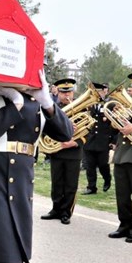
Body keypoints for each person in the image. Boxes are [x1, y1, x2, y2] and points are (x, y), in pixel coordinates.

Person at [0, 80, 73, 263]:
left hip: (21, 184)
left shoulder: (35, 101)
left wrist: (47, 102)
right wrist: (15, 105)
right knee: (6, 258)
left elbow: (66, 133)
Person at [41, 78, 84, 225]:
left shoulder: (83, 108)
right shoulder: (52, 109)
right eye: (63, 92)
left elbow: (90, 130)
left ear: (73, 92)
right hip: (57, 151)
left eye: (69, 92)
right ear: (57, 93)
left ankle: (66, 212)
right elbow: (45, 129)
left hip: (73, 153)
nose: (67, 95)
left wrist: (74, 142)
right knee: (57, 182)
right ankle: (55, 209)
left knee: (70, 184)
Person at [108, 71, 132, 243]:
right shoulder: (127, 106)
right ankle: (124, 225)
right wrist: (116, 118)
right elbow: (116, 129)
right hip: (122, 155)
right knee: (122, 194)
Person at [82, 82, 116, 195]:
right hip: (90, 139)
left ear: (104, 91)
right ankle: (91, 187)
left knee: (103, 164)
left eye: (99, 91)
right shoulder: (90, 104)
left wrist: (113, 141)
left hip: (103, 140)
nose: (97, 93)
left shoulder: (110, 104)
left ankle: (107, 179)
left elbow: (115, 124)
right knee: (89, 165)